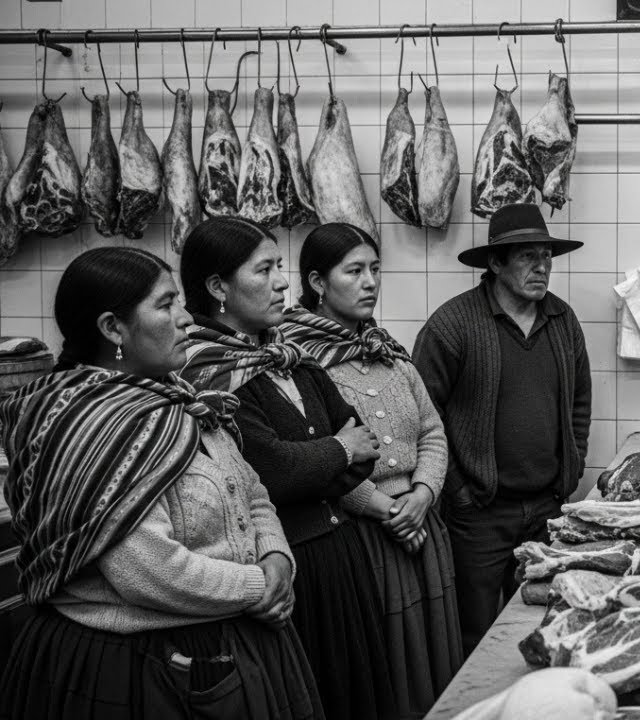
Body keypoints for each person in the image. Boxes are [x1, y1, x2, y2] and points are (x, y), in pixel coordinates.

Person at [0, 247, 323, 719]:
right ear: (113, 328)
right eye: (166, 304)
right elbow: (148, 570)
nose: (187, 318)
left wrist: (276, 558)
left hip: (228, 641)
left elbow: (252, 493)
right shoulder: (93, 425)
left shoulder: (177, 403)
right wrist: (261, 586)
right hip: (138, 669)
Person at [177, 217, 398, 720]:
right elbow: (270, 472)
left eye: (281, 266)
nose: (282, 281)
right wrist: (336, 453)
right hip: (281, 571)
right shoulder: (206, 372)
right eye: (265, 269)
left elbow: (365, 447)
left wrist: (328, 459)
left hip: (341, 557)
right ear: (218, 288)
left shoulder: (292, 359)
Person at [281, 222, 464, 711]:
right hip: (363, 536)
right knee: (387, 668)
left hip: (421, 529)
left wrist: (423, 493)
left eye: (376, 269)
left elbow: (432, 430)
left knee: (432, 659)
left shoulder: (388, 354)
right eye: (355, 270)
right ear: (318, 282)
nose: (370, 282)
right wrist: (384, 507)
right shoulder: (298, 363)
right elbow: (318, 457)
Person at [412, 203, 592, 653]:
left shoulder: (562, 320)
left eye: (546, 255)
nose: (542, 267)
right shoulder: (453, 325)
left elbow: (580, 403)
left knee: (544, 624)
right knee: (475, 634)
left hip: (548, 507)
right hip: (480, 515)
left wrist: (571, 469)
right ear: (495, 263)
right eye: (528, 256)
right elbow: (421, 416)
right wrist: (458, 491)